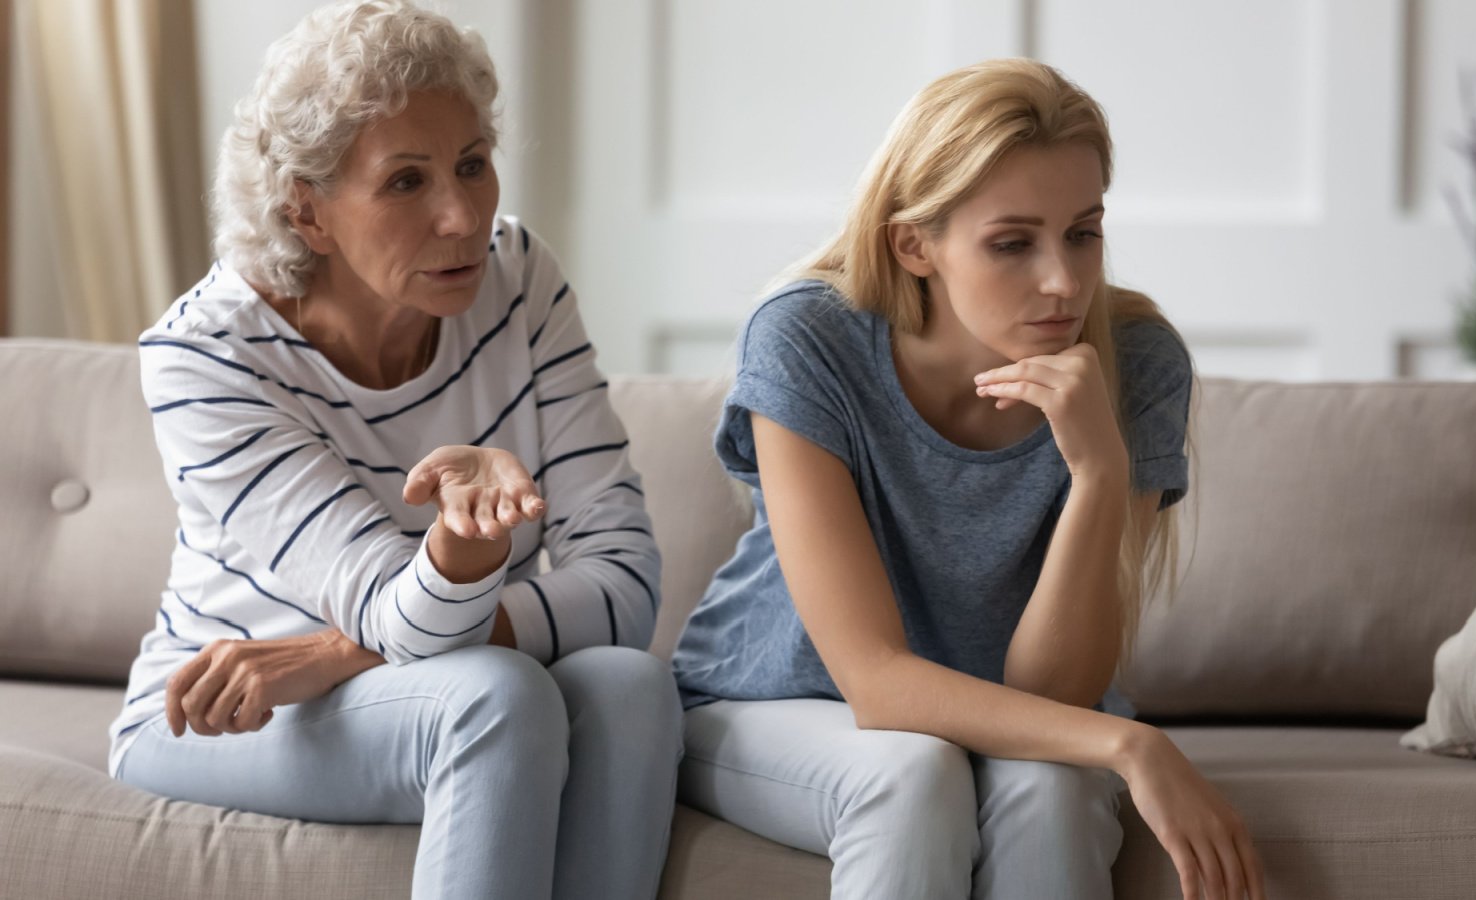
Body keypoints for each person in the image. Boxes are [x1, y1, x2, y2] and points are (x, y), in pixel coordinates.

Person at [107, 3, 680, 898]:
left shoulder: (518, 276)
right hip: (223, 716)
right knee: (494, 697)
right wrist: (465, 549)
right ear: (309, 210)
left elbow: (630, 582)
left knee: (628, 689)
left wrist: (339, 653)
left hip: (346, 672)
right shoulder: (206, 357)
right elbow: (391, 605)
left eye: (471, 164)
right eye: (406, 183)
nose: (462, 216)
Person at [672, 58, 1266, 900]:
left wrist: (1098, 473)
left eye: (1083, 232)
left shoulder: (1138, 364)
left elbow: (1052, 694)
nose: (1063, 280)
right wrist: (1132, 746)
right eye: (1013, 243)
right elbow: (874, 681)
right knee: (913, 774)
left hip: (1002, 713)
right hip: (771, 702)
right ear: (915, 243)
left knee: (1052, 791)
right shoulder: (807, 339)